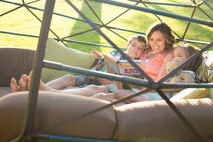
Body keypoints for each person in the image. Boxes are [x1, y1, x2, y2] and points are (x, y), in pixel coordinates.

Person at [10, 34, 146, 96]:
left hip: (109, 84)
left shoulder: (138, 65)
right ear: (127, 45)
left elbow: (131, 85)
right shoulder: (115, 52)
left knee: (93, 88)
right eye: (133, 45)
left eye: (140, 48)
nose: (136, 49)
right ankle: (30, 90)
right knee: (69, 78)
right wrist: (94, 69)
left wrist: (112, 81)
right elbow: (102, 62)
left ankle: (48, 93)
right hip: (94, 75)